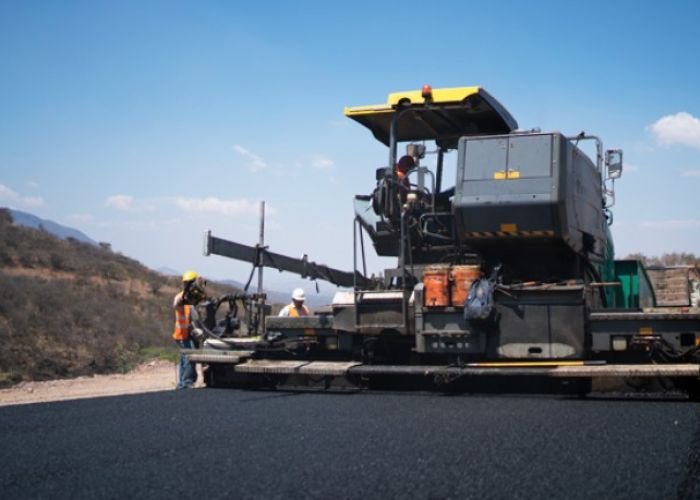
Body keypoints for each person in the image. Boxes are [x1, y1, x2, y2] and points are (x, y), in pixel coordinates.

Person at [172, 270, 207, 389]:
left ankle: (181, 383)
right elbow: (177, 304)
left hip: (188, 334)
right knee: (189, 358)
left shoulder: (194, 299)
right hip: (182, 334)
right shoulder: (181, 297)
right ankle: (186, 382)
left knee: (184, 359)